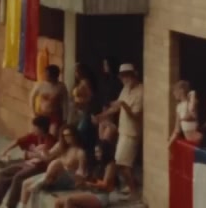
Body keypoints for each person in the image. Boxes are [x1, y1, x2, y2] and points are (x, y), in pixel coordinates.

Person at [0, 116, 59, 208]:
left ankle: (11, 205)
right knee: (2, 173)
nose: (33, 129)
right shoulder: (32, 136)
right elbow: (18, 141)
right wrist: (5, 150)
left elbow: (48, 158)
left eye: (35, 127)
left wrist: (33, 157)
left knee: (18, 177)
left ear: (41, 128)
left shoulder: (50, 141)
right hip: (27, 163)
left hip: (40, 167)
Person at [95, 64, 142, 194]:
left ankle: (133, 191)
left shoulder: (141, 91)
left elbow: (135, 115)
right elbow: (116, 107)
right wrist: (101, 116)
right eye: (122, 77)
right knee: (123, 162)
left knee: (122, 163)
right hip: (123, 130)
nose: (124, 80)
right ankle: (131, 185)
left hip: (132, 132)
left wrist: (124, 105)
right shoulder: (125, 89)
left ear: (133, 76)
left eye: (127, 76)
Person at [23, 125, 88, 203]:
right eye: (64, 136)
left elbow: (81, 171)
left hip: (69, 179)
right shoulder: (61, 146)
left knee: (57, 162)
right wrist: (44, 150)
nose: (66, 138)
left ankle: (41, 182)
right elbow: (47, 157)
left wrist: (80, 180)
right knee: (25, 183)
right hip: (53, 176)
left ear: (75, 135)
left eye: (69, 135)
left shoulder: (80, 152)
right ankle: (24, 205)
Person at [53, 142, 122, 208]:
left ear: (105, 151)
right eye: (96, 152)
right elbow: (91, 181)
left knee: (69, 200)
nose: (96, 154)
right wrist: (81, 183)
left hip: (100, 196)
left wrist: (88, 184)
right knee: (58, 202)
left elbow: (105, 185)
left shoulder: (110, 165)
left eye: (99, 152)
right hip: (91, 193)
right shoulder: (98, 164)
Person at [31, 64, 68, 136]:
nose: (45, 76)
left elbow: (65, 102)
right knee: (39, 133)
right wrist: (33, 112)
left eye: (47, 74)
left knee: (52, 134)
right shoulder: (40, 85)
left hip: (55, 115)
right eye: (45, 74)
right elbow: (32, 98)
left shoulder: (61, 87)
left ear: (54, 76)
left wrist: (65, 117)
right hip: (42, 114)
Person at [168, 80, 200, 145]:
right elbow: (177, 129)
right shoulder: (179, 106)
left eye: (175, 91)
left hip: (198, 140)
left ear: (181, 90)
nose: (174, 94)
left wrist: (191, 98)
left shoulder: (191, 103)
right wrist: (169, 143)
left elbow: (192, 115)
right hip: (190, 142)